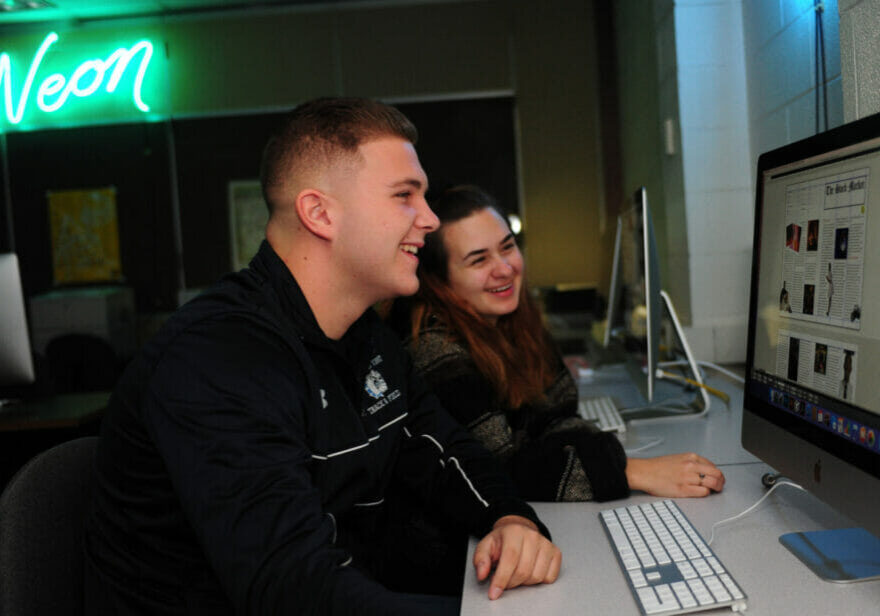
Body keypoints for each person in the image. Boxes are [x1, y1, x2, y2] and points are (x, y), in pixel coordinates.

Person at [83, 100, 561, 616]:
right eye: (405, 196)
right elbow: (296, 591)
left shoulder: (365, 336)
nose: (429, 219)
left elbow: (447, 452)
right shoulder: (218, 360)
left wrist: (510, 520)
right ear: (319, 213)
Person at [396, 185, 725, 505]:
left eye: (507, 247)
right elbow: (497, 469)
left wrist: (606, 456)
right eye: (479, 260)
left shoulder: (511, 321)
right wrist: (631, 472)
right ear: (440, 282)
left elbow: (556, 417)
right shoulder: (434, 349)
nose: (505, 268)